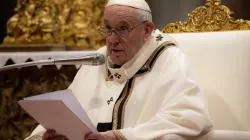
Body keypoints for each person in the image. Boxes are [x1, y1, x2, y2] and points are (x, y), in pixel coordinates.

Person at [26, 0, 213, 139]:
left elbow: (190, 116)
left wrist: (120, 136)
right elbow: (68, 113)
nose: (112, 40)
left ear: (147, 31)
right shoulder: (98, 59)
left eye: (122, 29)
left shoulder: (167, 58)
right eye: (108, 28)